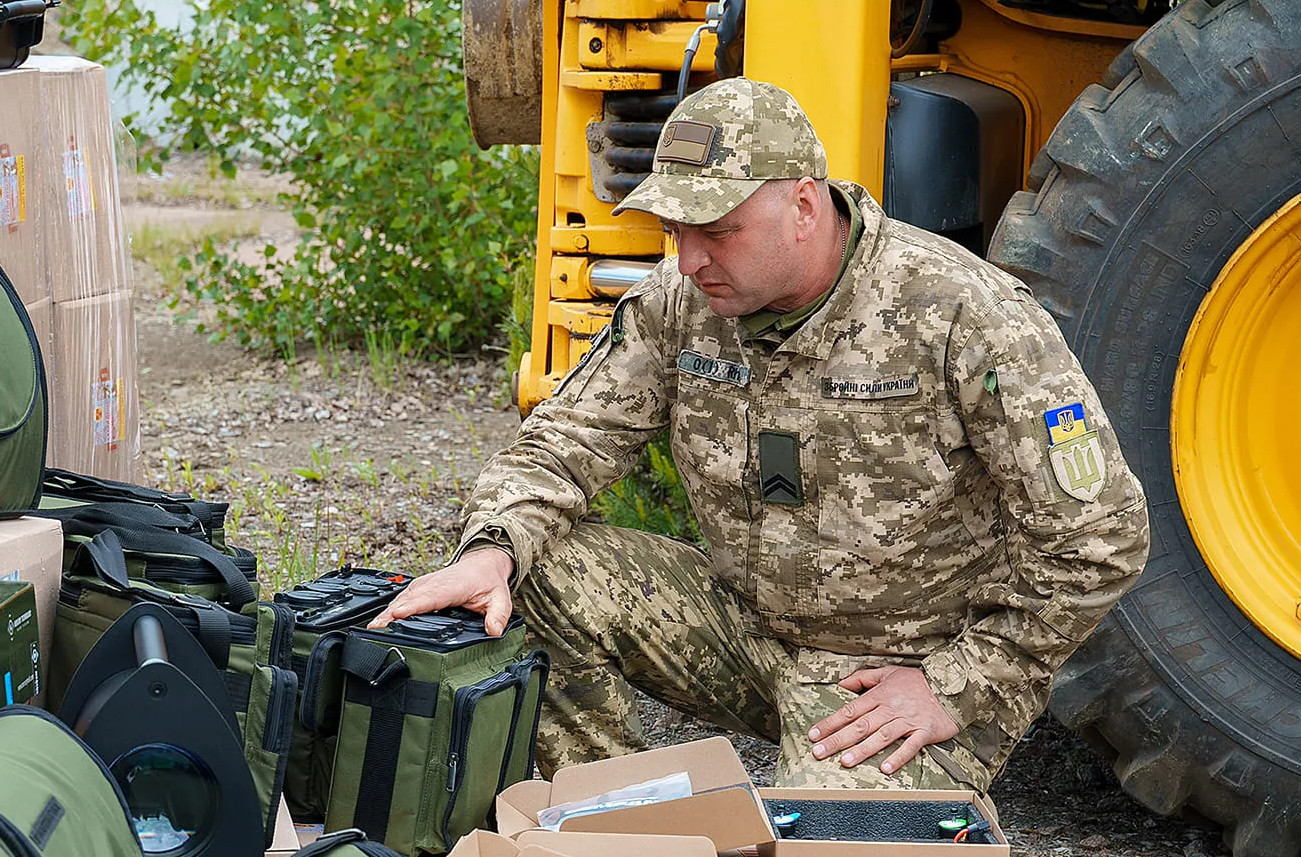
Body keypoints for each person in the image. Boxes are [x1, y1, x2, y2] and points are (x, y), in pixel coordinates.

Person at [374, 78, 1149, 793]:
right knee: (529, 574)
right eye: (674, 228)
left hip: (891, 671)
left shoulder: (961, 315)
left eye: (716, 230)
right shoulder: (681, 301)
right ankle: (622, 835)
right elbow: (563, 443)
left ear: (805, 207)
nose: (689, 257)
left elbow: (1101, 532)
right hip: (743, 629)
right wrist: (491, 549)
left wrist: (957, 683)